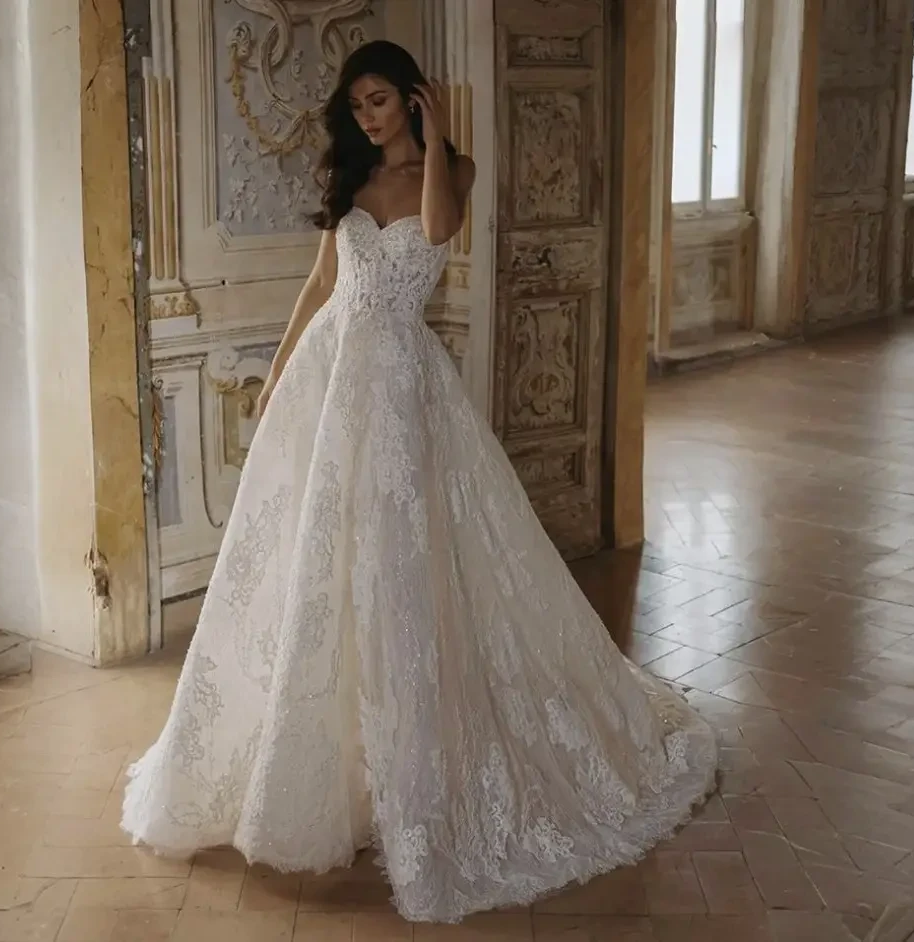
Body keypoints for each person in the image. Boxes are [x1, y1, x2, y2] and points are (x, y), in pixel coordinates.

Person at [122, 39, 717, 924]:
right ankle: (322, 760)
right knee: (319, 564)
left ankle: (413, 766)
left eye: (380, 101)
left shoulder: (454, 169)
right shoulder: (352, 183)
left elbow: (438, 231)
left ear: (411, 99)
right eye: (356, 105)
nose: (367, 117)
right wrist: (280, 374)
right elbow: (320, 283)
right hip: (334, 382)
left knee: (403, 567)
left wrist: (437, 142)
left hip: (403, 389)